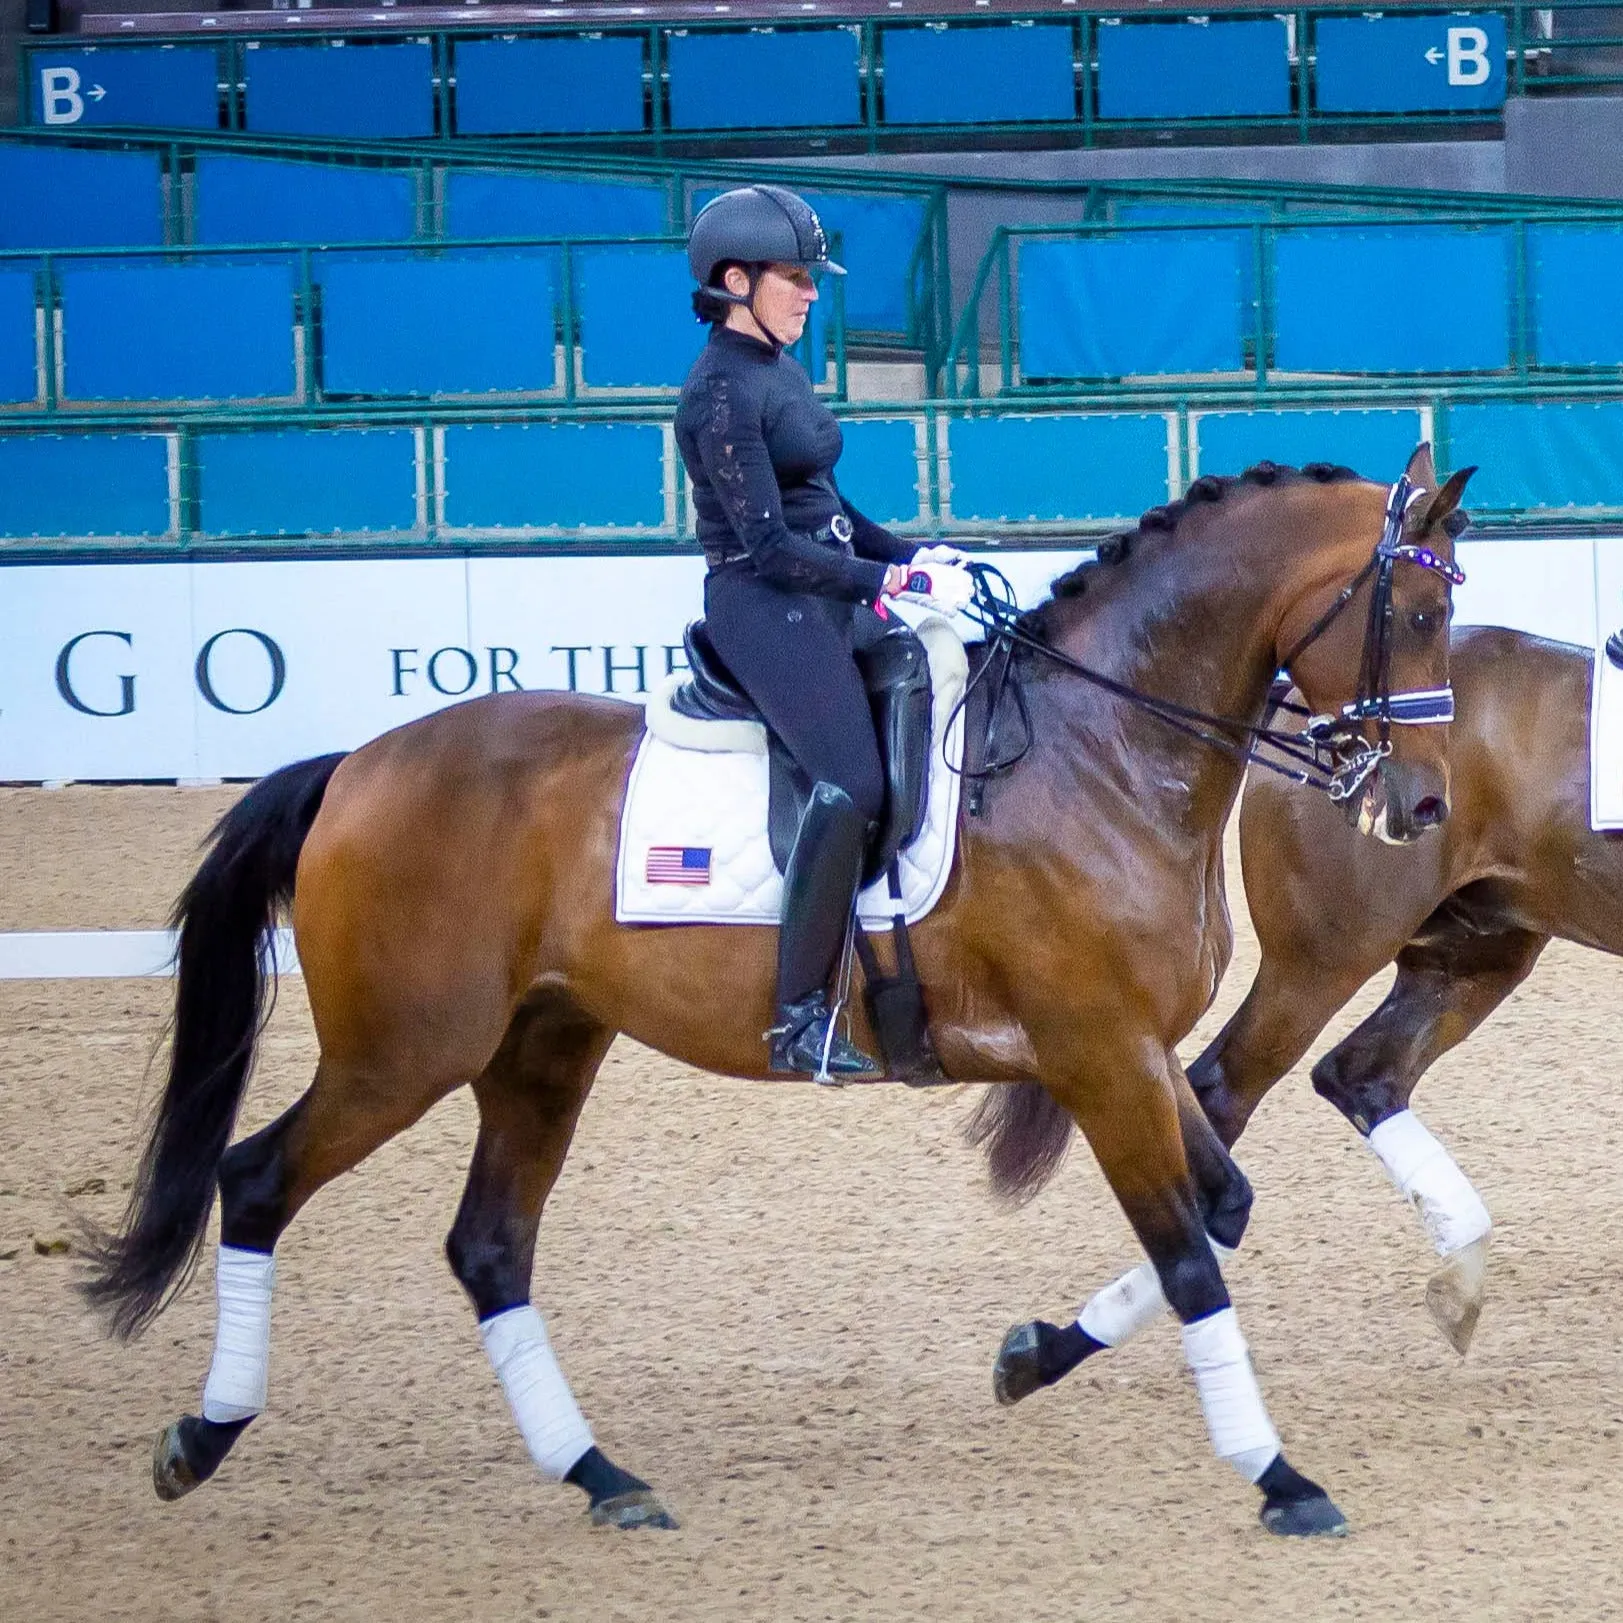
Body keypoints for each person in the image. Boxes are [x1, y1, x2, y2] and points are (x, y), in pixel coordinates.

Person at [674, 184, 971, 1079]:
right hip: (763, 601)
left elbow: (829, 508)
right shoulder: (717, 394)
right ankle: (797, 1012)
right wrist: (893, 578)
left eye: (810, 279)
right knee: (849, 779)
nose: (810, 294)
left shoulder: (780, 369)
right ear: (737, 279)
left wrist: (918, 552)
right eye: (795, 278)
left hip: (825, 590)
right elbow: (768, 544)